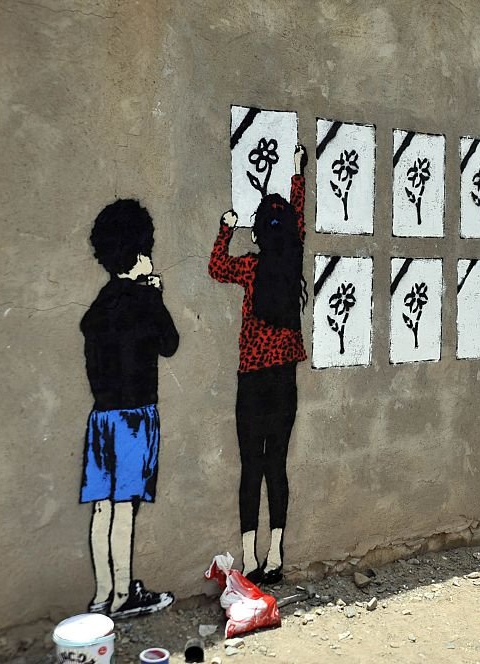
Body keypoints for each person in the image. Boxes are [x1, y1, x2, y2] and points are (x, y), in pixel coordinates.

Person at [209, 144, 308, 585]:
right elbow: (299, 218)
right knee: (277, 466)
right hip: (284, 380)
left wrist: (224, 229)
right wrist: (297, 173)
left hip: (251, 381)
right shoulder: (292, 263)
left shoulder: (251, 268)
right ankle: (276, 554)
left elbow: (215, 267)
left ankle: (249, 558)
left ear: (258, 234)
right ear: (288, 232)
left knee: (251, 466)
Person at [81, 198, 179, 618]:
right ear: (140, 254)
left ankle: (102, 593)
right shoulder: (144, 302)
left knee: (102, 506)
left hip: (100, 418)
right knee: (125, 507)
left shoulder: (98, 308)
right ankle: (124, 595)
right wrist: (155, 296)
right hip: (135, 419)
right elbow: (170, 344)